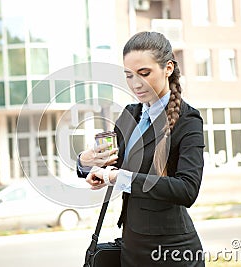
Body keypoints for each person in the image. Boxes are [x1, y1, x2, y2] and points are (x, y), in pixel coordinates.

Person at [77, 31, 205, 266]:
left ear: (168, 68)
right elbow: (109, 164)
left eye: (144, 73)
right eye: (129, 75)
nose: (136, 84)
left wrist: (116, 177)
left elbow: (187, 190)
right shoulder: (129, 114)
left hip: (172, 252)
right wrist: (86, 161)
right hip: (132, 248)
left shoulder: (188, 120)